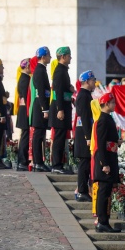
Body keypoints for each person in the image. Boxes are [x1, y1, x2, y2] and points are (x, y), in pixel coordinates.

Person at [91, 92, 121, 233]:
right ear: (106, 104)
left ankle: (105, 220)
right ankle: (102, 221)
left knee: (107, 192)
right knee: (103, 192)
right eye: (112, 102)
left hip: (110, 157)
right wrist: (104, 163)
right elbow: (101, 143)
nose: (114, 105)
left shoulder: (108, 118)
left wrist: (116, 142)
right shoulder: (103, 120)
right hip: (106, 160)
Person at [49, 46, 75, 174]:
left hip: (64, 106)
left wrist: (70, 90)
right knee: (58, 137)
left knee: (61, 136)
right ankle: (56, 165)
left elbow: (63, 89)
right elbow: (58, 92)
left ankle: (59, 164)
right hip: (60, 108)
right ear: (63, 57)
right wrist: (60, 109)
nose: (70, 58)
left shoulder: (63, 71)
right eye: (69, 55)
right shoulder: (59, 71)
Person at [74, 70, 95, 202]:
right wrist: (88, 136)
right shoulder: (83, 95)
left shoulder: (86, 94)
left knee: (86, 163)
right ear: (87, 81)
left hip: (85, 132)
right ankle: (81, 191)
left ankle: (83, 189)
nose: (95, 82)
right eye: (93, 80)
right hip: (84, 134)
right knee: (84, 163)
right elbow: (85, 117)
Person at [30, 46, 52, 172]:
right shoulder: (39, 70)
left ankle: (39, 161)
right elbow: (41, 91)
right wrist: (45, 109)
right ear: (43, 56)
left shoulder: (42, 69)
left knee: (40, 134)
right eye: (48, 55)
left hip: (41, 105)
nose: (50, 57)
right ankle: (37, 162)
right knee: (38, 135)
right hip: (40, 106)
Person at [13, 59, 31, 171]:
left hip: (24, 110)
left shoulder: (25, 78)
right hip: (25, 111)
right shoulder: (24, 79)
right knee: (24, 136)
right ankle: (22, 161)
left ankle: (23, 160)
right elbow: (26, 96)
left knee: (25, 136)